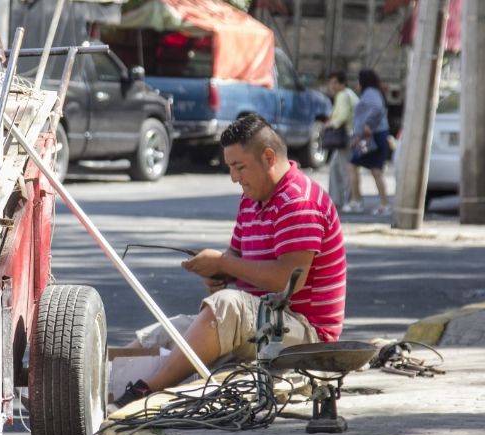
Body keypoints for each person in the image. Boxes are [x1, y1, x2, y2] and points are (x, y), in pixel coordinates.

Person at [112, 114, 347, 409]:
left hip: (307, 335)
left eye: (239, 167)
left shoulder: (299, 203)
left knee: (226, 306)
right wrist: (216, 270)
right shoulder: (252, 198)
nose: (235, 177)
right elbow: (235, 255)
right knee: (169, 332)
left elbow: (286, 281)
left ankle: (144, 394)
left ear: (269, 157)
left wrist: (223, 264)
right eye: (230, 168)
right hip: (261, 320)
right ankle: (99, 386)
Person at [344, 69, 391, 215]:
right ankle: (361, 201)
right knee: (367, 168)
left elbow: (377, 108)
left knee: (372, 170)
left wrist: (368, 125)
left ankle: (361, 202)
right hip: (373, 136)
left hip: (374, 136)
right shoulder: (373, 92)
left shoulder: (370, 92)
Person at [326, 71, 359, 209]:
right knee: (335, 167)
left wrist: (331, 124)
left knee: (345, 169)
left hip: (345, 137)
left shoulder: (342, 95)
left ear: (341, 84)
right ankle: (336, 200)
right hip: (350, 136)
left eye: (334, 83)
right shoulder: (349, 94)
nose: (331, 86)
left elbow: (343, 115)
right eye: (331, 82)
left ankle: (348, 201)